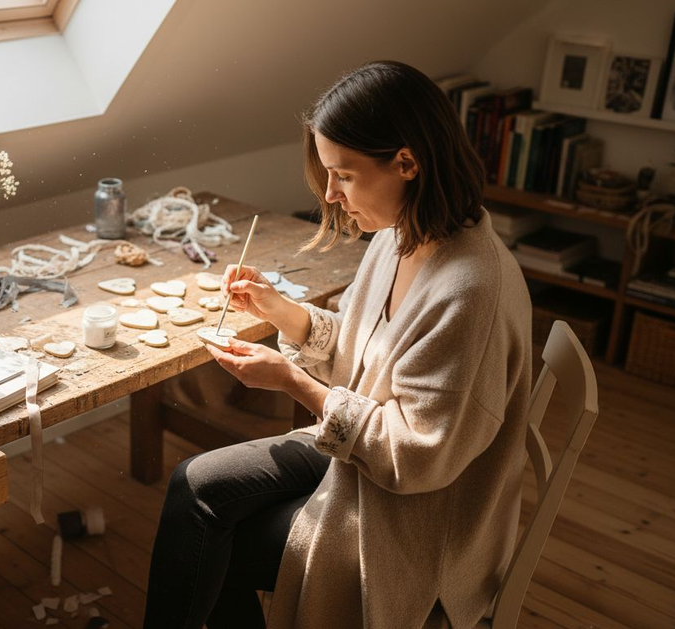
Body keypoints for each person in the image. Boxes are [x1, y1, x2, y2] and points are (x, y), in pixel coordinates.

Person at [142, 60, 532, 629]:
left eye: (344, 175)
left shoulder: (469, 290)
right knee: (195, 484)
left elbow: (417, 457)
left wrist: (293, 380)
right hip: (360, 460)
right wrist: (285, 313)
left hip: (416, 516)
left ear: (407, 162)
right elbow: (360, 342)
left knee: (216, 543)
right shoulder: (402, 234)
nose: (331, 193)